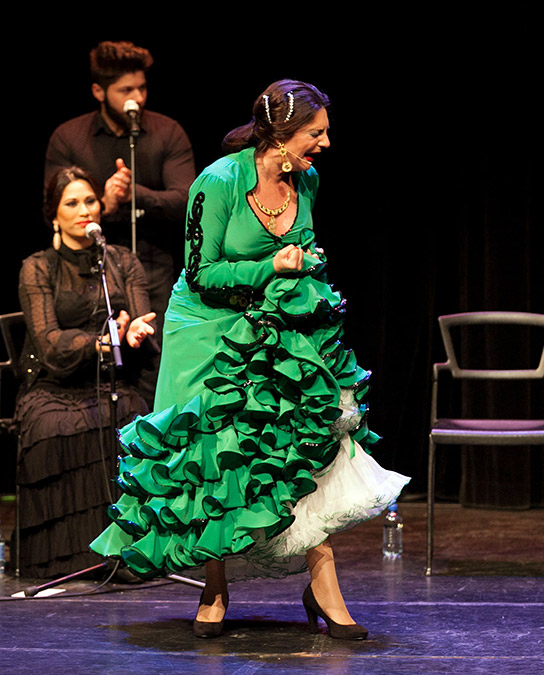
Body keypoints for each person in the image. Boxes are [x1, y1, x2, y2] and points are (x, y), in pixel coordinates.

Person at [91, 80, 409, 638]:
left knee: (298, 445)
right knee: (215, 455)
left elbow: (302, 249)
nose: (325, 143)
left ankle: (324, 584)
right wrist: (271, 268)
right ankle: (214, 588)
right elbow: (201, 273)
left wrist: (301, 271)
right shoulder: (217, 182)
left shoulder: (306, 179)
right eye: (317, 133)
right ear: (282, 136)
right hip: (206, 326)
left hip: (269, 319)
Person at [16, 167, 157, 578]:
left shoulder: (122, 261)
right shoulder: (38, 267)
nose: (84, 211)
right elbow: (48, 341)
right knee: (50, 426)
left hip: (113, 381)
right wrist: (97, 343)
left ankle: (126, 552)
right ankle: (69, 558)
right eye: (72, 203)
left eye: (90, 201)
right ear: (54, 215)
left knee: (129, 415)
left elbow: (140, 321)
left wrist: (134, 333)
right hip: (54, 385)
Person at [44, 41, 195, 378]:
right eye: (126, 90)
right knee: (100, 365)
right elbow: (53, 204)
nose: (137, 98)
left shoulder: (168, 132)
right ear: (99, 91)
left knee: (156, 366)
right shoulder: (69, 137)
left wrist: (134, 194)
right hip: (88, 272)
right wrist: (106, 204)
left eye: (141, 88)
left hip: (153, 268)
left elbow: (187, 199)